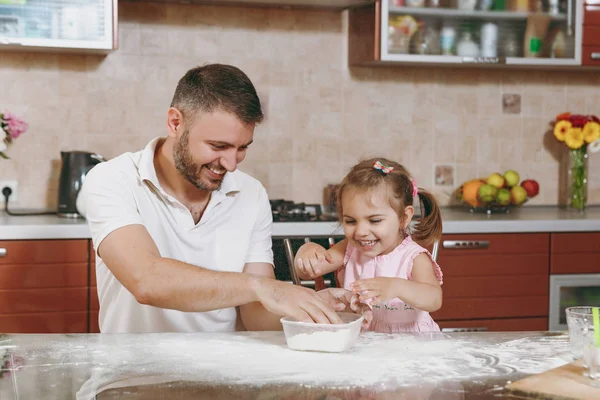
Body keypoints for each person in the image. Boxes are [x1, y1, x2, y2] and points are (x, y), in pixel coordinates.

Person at [76, 63, 352, 333]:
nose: (231, 164)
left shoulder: (251, 193)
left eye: (242, 148)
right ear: (175, 123)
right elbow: (146, 280)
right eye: (218, 146)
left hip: (222, 372)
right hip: (132, 374)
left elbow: (255, 317)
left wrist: (308, 310)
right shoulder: (113, 179)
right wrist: (262, 287)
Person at [294, 158, 444, 333]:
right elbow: (309, 271)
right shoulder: (350, 249)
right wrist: (307, 251)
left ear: (404, 217)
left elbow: (434, 299)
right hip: (363, 342)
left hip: (409, 346)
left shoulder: (414, 257)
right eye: (351, 221)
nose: (361, 232)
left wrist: (396, 286)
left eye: (374, 220)